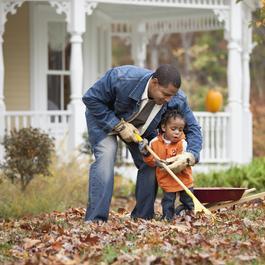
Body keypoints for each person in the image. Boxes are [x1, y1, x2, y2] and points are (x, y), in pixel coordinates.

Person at [82, 64, 202, 222]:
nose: (168, 100)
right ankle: (95, 220)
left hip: (141, 129)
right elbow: (90, 98)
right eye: (165, 94)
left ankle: (142, 218)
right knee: (106, 155)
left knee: (152, 161)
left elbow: (193, 127)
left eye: (172, 96)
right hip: (104, 119)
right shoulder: (121, 78)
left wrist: (190, 155)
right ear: (154, 83)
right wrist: (118, 125)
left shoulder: (176, 99)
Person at [139, 109, 194, 220]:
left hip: (183, 179)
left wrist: (167, 162)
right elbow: (150, 161)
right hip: (167, 179)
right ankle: (167, 218)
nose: (177, 132)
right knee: (168, 202)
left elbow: (180, 158)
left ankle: (191, 215)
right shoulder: (154, 143)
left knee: (188, 200)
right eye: (173, 129)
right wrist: (146, 154)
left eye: (180, 129)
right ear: (164, 128)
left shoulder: (182, 143)